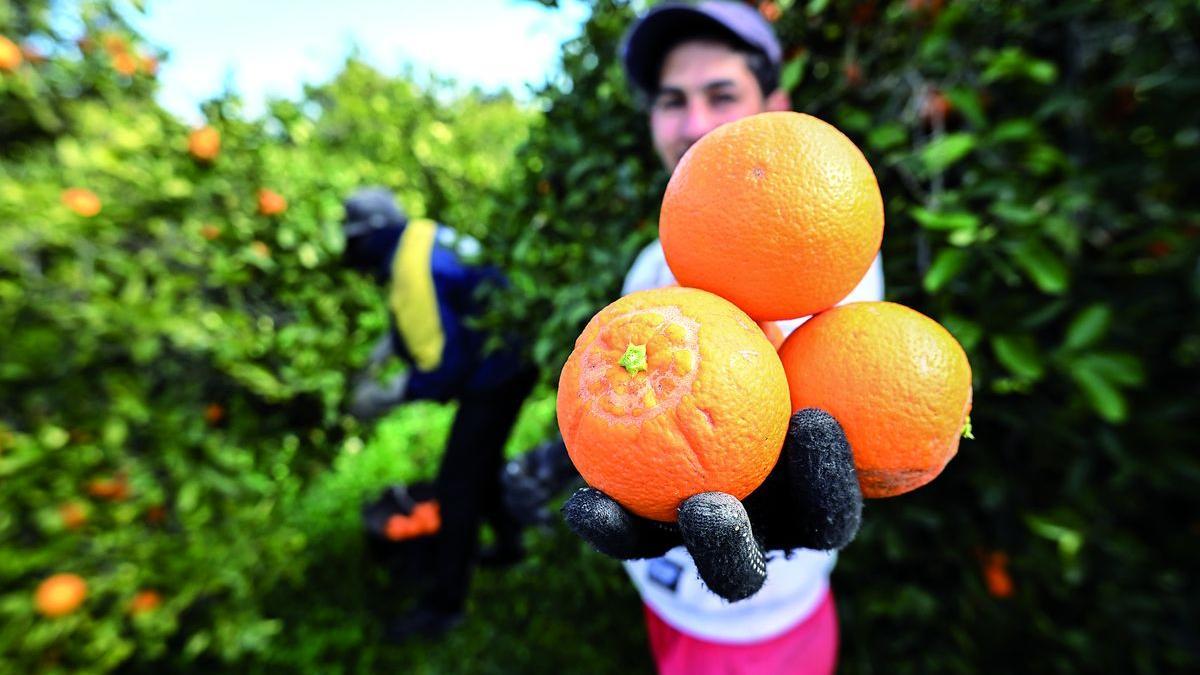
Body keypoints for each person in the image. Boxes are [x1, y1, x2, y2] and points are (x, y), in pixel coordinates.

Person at [561, 3, 887, 674]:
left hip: (765, 628)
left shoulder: (823, 256)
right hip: (666, 600)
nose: (696, 125)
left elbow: (857, 390)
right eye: (672, 101)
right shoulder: (657, 259)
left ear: (777, 105)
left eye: (722, 94)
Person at [340, 187, 536, 642]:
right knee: (478, 465)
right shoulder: (422, 235)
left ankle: (444, 606)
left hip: (497, 371)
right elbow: (442, 302)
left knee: (457, 486)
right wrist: (386, 347)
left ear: (371, 238)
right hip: (512, 354)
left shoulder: (409, 268)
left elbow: (443, 369)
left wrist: (386, 395)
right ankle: (510, 546)